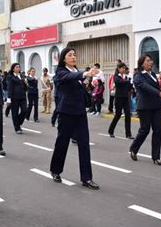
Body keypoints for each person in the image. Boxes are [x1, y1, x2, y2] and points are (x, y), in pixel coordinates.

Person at [50, 47, 100, 189]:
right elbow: (69, 78)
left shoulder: (76, 72)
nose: (73, 57)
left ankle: (87, 178)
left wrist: (86, 81)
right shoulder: (61, 72)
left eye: (74, 55)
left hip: (80, 112)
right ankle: (55, 170)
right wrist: (84, 74)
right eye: (70, 55)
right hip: (66, 112)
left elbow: (78, 86)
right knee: (62, 142)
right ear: (64, 58)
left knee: (84, 144)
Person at [129, 54, 161, 165]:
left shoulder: (152, 74)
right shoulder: (138, 75)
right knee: (145, 130)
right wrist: (160, 93)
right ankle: (134, 148)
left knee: (158, 130)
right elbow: (145, 86)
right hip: (145, 107)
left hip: (156, 106)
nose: (151, 62)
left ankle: (156, 157)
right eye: (148, 60)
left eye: (151, 60)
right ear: (142, 63)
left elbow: (155, 88)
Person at [108, 62, 133, 138]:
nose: (123, 69)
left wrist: (129, 84)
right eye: (122, 68)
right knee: (118, 115)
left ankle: (128, 134)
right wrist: (128, 82)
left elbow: (129, 86)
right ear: (119, 69)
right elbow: (120, 83)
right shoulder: (116, 76)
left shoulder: (126, 77)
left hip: (125, 98)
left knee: (128, 115)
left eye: (124, 68)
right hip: (119, 98)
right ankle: (111, 130)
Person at [6, 63, 28, 134]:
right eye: (16, 67)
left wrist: (26, 83)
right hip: (14, 97)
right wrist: (9, 98)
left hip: (22, 96)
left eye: (19, 67)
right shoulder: (10, 77)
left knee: (24, 110)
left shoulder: (22, 76)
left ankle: (18, 122)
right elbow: (9, 88)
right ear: (13, 69)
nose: (18, 68)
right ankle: (17, 128)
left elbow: (25, 87)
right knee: (14, 113)